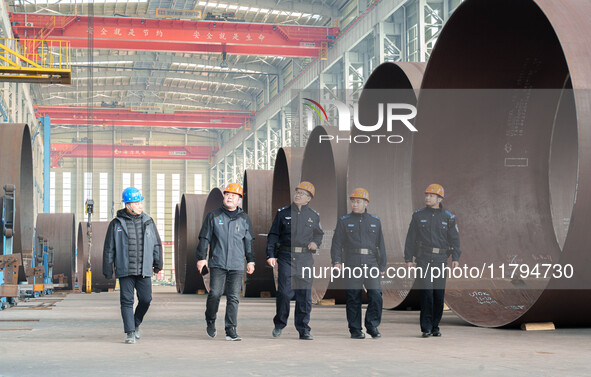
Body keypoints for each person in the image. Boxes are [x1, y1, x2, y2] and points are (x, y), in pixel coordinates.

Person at [103, 187, 163, 344]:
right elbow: (109, 248)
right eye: (137, 203)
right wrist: (108, 269)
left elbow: (156, 244)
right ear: (127, 205)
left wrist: (158, 263)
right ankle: (130, 332)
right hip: (125, 269)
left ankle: (136, 322)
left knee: (146, 299)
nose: (140, 205)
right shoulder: (116, 224)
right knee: (126, 301)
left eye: (140, 202)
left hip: (144, 269)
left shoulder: (148, 221)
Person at [196, 183, 255, 341]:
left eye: (234, 195)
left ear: (239, 200)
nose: (230, 197)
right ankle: (210, 320)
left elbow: (248, 241)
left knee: (234, 297)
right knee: (215, 294)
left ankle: (231, 330)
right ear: (224, 197)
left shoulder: (244, 219)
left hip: (236, 264)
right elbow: (204, 237)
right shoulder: (213, 216)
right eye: (227, 194)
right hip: (218, 262)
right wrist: (201, 258)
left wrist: (251, 261)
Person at [266, 181, 323, 340]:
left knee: (304, 295)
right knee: (284, 292)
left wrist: (315, 243)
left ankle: (303, 329)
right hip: (286, 257)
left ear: (309, 198)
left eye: (303, 194)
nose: (298, 195)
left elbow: (319, 234)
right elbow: (273, 235)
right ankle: (279, 324)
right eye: (297, 192)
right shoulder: (282, 213)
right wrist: (270, 255)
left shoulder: (313, 215)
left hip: (305, 259)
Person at [404, 184, 461, 337]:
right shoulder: (418, 216)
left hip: (441, 260)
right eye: (426, 195)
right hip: (423, 259)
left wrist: (456, 257)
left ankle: (435, 326)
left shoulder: (449, 217)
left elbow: (455, 240)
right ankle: (426, 327)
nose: (427, 198)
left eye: (431, 195)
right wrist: (408, 259)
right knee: (426, 293)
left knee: (438, 294)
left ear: (439, 198)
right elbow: (411, 238)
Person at [331, 188, 386, 339]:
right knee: (353, 297)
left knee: (376, 295)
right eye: (353, 201)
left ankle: (372, 325)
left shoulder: (375, 221)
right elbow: (336, 244)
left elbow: (381, 245)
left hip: (371, 263)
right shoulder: (344, 221)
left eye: (358, 201)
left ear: (366, 203)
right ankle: (355, 329)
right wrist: (337, 261)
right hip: (352, 262)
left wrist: (382, 266)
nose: (354, 204)